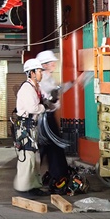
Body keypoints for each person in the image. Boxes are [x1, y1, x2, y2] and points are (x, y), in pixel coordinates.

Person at [35, 49, 71, 194]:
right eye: (51, 62)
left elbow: (55, 91)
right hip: (43, 118)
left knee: (52, 148)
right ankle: (54, 178)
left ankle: (58, 177)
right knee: (46, 149)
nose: (54, 64)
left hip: (48, 117)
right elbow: (49, 94)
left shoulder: (48, 77)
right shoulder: (42, 78)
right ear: (44, 65)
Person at [13, 58, 47, 196]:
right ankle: (23, 187)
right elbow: (32, 108)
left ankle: (33, 186)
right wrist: (44, 107)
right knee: (27, 157)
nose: (41, 74)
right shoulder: (27, 88)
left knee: (35, 159)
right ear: (31, 73)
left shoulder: (34, 87)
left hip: (32, 127)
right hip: (26, 127)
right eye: (39, 71)